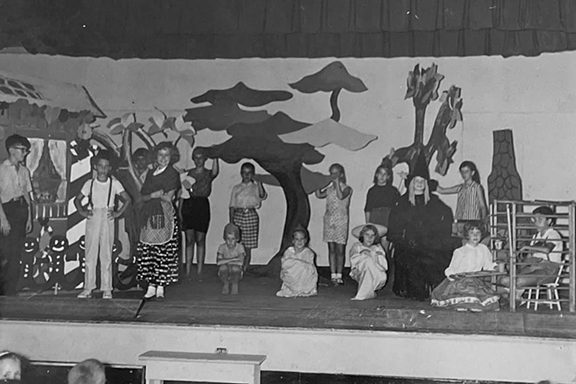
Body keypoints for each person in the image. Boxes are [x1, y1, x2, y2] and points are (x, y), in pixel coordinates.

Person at [388, 153, 456, 300]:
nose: (419, 183)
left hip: (429, 243)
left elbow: (447, 215)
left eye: (422, 181)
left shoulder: (434, 202)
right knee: (411, 261)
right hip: (409, 245)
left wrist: (438, 236)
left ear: (426, 184)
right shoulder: (402, 203)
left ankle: (436, 289)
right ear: (412, 182)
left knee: (438, 256)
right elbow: (394, 225)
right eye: (416, 180)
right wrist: (402, 239)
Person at [75, 151, 131, 299]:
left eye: (106, 166)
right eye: (100, 166)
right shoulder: (90, 183)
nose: (103, 169)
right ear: (95, 167)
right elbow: (77, 199)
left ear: (110, 168)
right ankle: (88, 287)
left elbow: (127, 199)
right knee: (90, 252)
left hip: (108, 216)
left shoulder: (114, 183)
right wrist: (82, 211)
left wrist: (118, 213)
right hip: (93, 217)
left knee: (106, 253)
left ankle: (107, 288)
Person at [137, 142, 181, 300]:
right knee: (149, 250)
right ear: (155, 156)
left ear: (172, 157)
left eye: (166, 155)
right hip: (149, 215)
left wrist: (155, 195)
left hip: (164, 214)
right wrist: (154, 195)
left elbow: (169, 197)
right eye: (160, 154)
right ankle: (151, 285)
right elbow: (142, 196)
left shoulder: (172, 174)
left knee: (163, 251)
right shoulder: (150, 173)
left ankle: (161, 285)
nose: (163, 158)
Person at [430, 222, 500, 311]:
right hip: (459, 281)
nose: (475, 235)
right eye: (472, 233)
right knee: (465, 300)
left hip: (474, 281)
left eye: (478, 233)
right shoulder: (460, 251)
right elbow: (452, 268)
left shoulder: (483, 249)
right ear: (467, 235)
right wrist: (453, 276)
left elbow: (488, 265)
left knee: (483, 301)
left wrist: (495, 267)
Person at [499, 206, 564, 301]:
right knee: (504, 280)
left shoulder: (553, 234)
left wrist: (526, 247)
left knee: (518, 281)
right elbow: (529, 257)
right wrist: (517, 262)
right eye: (534, 219)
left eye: (540, 219)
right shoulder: (536, 237)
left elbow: (546, 249)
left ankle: (515, 295)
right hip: (532, 267)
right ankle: (516, 296)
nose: (536, 222)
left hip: (548, 270)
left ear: (549, 221)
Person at [0, 134, 33, 296]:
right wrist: (3, 220)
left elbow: (27, 195)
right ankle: (3, 289)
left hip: (21, 210)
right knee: (5, 252)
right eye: (22, 150)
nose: (25, 153)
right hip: (7, 210)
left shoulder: (25, 171)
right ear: (12, 150)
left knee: (16, 252)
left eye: (26, 151)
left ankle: (11, 290)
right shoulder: (2, 169)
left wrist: (29, 217)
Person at [179, 148, 219, 280]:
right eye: (196, 157)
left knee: (201, 239)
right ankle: (188, 271)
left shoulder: (208, 173)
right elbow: (182, 195)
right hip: (189, 206)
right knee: (189, 239)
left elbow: (215, 172)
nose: (198, 160)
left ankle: (200, 271)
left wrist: (216, 156)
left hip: (202, 206)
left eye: (201, 157)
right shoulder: (188, 174)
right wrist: (180, 212)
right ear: (193, 158)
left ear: (205, 159)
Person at [315, 163, 352, 286]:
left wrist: (336, 183)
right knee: (331, 248)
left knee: (340, 249)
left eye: (336, 173)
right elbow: (319, 194)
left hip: (341, 220)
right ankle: (333, 274)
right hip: (329, 220)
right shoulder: (329, 189)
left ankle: (340, 275)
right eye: (331, 173)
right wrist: (319, 183)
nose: (333, 175)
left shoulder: (347, 188)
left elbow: (341, 196)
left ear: (341, 174)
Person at [229, 162, 267, 271]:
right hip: (238, 216)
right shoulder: (236, 188)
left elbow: (262, 196)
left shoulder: (255, 187)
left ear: (253, 174)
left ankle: (245, 267)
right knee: (236, 244)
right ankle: (236, 266)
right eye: (244, 173)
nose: (246, 175)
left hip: (250, 215)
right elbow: (232, 206)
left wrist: (259, 183)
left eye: (249, 173)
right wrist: (231, 222)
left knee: (247, 246)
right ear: (241, 173)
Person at [437, 161, 488, 238]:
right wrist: (432, 185)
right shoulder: (460, 187)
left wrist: (483, 222)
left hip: (473, 222)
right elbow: (442, 191)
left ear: (473, 172)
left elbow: (482, 206)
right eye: (462, 172)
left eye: (466, 171)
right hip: (460, 222)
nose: (464, 174)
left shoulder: (477, 187)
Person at [349, 224, 388, 300]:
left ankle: (367, 291)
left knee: (369, 260)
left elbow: (383, 265)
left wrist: (373, 254)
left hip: (377, 275)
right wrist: (364, 255)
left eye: (372, 236)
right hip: (360, 272)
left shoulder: (378, 248)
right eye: (367, 235)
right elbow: (354, 260)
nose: (369, 238)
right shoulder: (357, 246)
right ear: (362, 235)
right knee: (367, 260)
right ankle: (365, 292)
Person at [276, 227, 318, 298]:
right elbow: (285, 264)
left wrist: (298, 264)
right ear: (293, 241)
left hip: (304, 279)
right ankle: (293, 288)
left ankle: (303, 289)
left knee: (304, 267)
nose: (299, 241)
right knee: (293, 266)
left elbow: (310, 269)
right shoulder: (289, 251)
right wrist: (295, 265)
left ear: (305, 240)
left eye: (302, 239)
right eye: (297, 239)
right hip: (292, 279)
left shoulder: (309, 253)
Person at [217, 223, 245, 295]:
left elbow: (241, 262)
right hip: (227, 266)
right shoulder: (222, 247)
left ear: (237, 239)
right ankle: (225, 284)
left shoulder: (240, 247)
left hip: (235, 267)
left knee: (235, 268)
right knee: (223, 268)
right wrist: (234, 259)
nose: (230, 242)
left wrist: (226, 261)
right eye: (228, 239)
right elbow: (218, 262)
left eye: (233, 239)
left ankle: (235, 284)